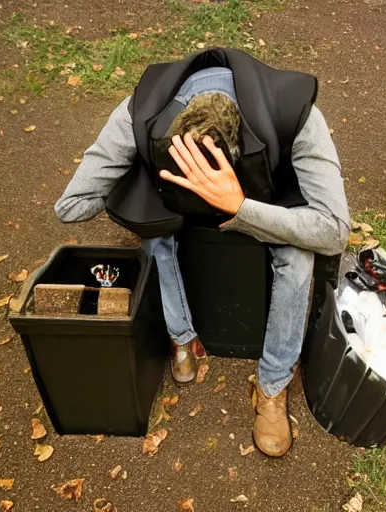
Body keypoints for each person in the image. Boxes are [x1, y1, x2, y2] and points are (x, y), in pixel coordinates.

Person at [55, 48, 350, 458]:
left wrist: (240, 207)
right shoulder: (139, 114)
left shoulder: (297, 115)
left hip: (267, 197)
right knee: (153, 233)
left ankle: (272, 385)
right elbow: (72, 205)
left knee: (299, 256)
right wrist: (140, 178)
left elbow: (335, 231)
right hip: (176, 197)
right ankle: (182, 336)